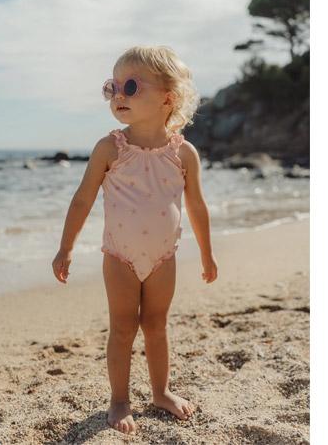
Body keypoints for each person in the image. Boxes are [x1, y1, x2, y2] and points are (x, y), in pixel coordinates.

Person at [52, 45, 218, 435]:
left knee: (157, 325)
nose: (118, 96)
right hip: (120, 256)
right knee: (123, 327)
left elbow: (196, 206)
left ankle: (161, 392)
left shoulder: (184, 153)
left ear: (168, 98)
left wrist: (207, 254)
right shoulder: (109, 148)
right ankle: (119, 399)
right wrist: (66, 247)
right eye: (112, 87)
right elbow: (83, 199)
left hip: (163, 257)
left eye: (130, 86)